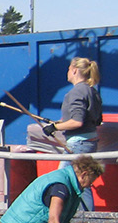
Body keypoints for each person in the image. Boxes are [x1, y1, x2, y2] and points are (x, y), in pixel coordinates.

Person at [42, 56, 103, 208]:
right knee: (82, 182)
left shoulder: (76, 93)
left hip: (78, 143)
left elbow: (77, 122)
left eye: (69, 68)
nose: (67, 72)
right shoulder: (92, 91)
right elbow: (96, 120)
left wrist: (55, 127)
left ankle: (68, 217)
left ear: (74, 70)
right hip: (90, 141)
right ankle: (87, 218)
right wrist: (59, 124)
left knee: (63, 180)